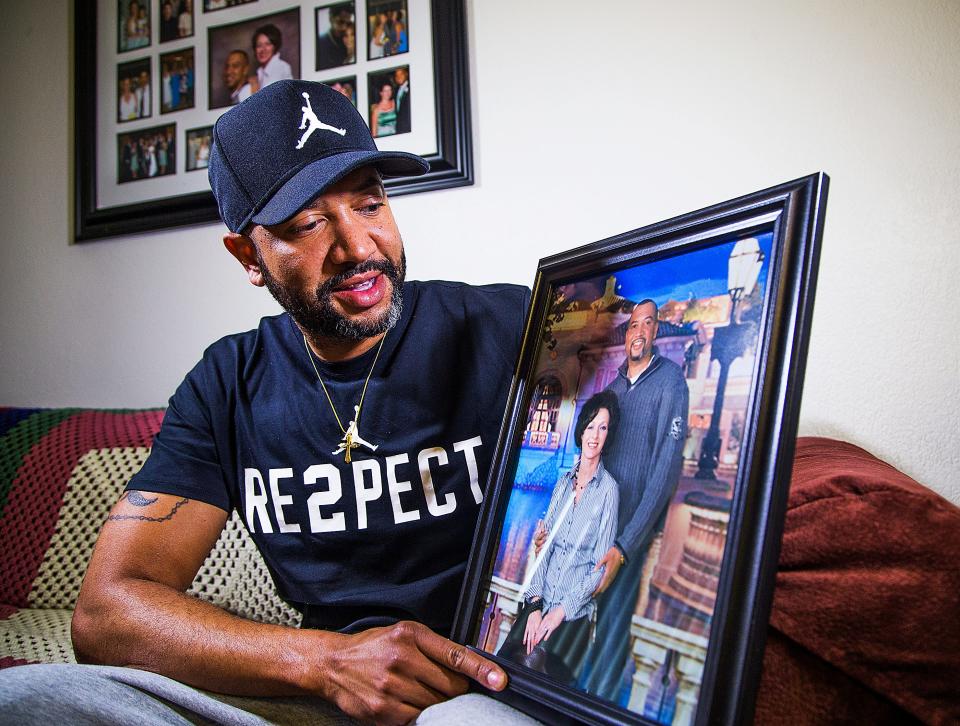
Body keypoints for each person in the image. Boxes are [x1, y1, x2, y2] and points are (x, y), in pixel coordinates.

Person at [0, 80, 539, 726]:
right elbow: (104, 615)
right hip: (314, 695)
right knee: (30, 701)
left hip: (467, 693)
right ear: (248, 256)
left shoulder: (512, 328)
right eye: (308, 224)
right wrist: (328, 663)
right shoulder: (226, 383)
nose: (359, 248)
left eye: (370, 204)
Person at [577, 299, 689, 702]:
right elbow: (589, 456)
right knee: (573, 615)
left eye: (647, 324)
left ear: (656, 331)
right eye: (632, 326)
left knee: (611, 626)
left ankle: (598, 708)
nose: (638, 332)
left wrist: (627, 543)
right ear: (626, 335)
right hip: (593, 523)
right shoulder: (612, 389)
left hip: (627, 533)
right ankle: (564, 697)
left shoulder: (671, 382)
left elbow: (666, 467)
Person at [498, 391, 620, 686]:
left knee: (540, 677)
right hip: (543, 599)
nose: (594, 436)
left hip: (572, 611)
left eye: (602, 428)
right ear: (581, 431)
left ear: (608, 435)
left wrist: (559, 612)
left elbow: (599, 569)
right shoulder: (563, 483)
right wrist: (537, 605)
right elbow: (544, 549)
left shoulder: (608, 491)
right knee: (503, 668)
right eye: (591, 426)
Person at [316, 2, 355, 71]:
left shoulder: (351, 40)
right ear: (331, 18)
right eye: (340, 22)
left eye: (348, 23)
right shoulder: (320, 43)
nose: (344, 27)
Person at [253, 23, 293, 90]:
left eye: (267, 44)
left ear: (275, 46)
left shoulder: (282, 68)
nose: (263, 49)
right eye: (259, 45)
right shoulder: (259, 72)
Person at [393, 66, 410, 134]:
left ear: (406, 74)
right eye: (396, 75)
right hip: (399, 128)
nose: (398, 77)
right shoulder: (395, 90)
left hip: (408, 127)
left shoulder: (412, 87)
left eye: (401, 74)